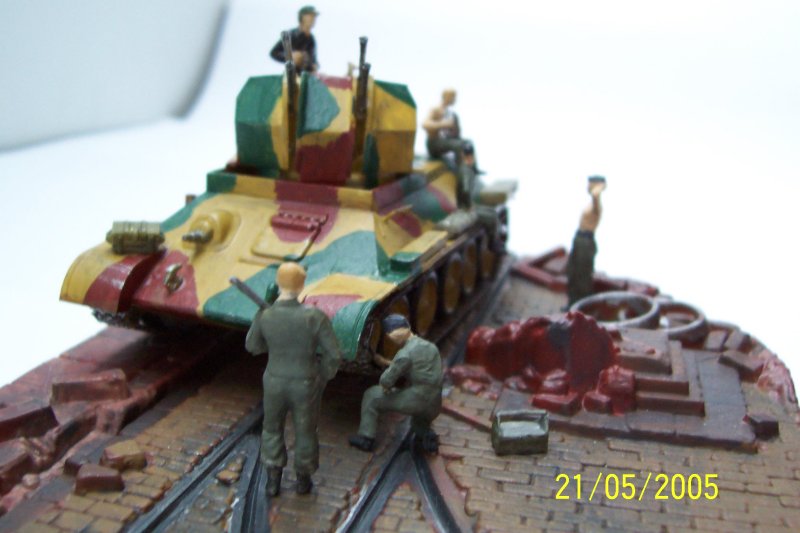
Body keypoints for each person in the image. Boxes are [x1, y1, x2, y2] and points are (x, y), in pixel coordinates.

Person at [245, 262, 341, 496]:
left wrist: (263, 315)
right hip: (305, 382)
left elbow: (253, 346)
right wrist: (323, 376)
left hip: (274, 381)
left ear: (278, 284)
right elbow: (334, 354)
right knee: (306, 430)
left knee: (271, 429)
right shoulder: (314, 317)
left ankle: (273, 479)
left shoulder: (266, 315)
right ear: (301, 286)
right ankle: (303, 480)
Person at [349, 315, 443, 454]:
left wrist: (386, 387)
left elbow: (386, 380)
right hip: (435, 403)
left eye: (391, 334)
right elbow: (415, 366)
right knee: (418, 422)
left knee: (372, 395)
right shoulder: (430, 347)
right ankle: (427, 436)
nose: (391, 338)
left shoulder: (405, 353)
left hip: (418, 400)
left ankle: (365, 439)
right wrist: (386, 362)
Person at [566, 176, 607, 306]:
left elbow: (595, 194)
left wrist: (600, 186)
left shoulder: (596, 203)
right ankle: (572, 302)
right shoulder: (591, 203)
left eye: (590, 184)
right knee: (573, 271)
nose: (587, 187)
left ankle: (582, 306)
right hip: (579, 238)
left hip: (586, 242)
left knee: (582, 275)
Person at [270, 6, 319, 73]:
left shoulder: (311, 39)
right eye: (310, 16)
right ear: (303, 17)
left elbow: (313, 60)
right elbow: (274, 53)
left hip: (306, 75)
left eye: (314, 17)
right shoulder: (291, 35)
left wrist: (314, 66)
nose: (313, 19)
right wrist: (290, 57)